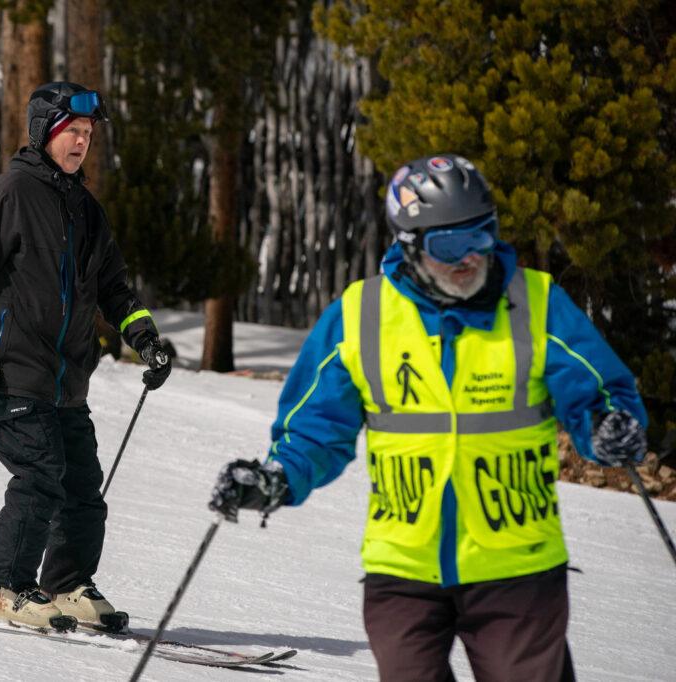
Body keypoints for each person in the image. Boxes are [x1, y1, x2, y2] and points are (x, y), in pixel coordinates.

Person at [209, 155, 648, 681]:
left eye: (482, 237)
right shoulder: (361, 315)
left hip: (517, 565)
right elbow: (315, 429)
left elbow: (598, 394)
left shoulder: (535, 303)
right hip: (404, 568)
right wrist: (277, 477)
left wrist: (611, 427)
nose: (470, 258)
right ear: (410, 245)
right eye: (449, 245)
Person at [0, 82, 171, 632]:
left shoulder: (87, 210)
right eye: (71, 131)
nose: (80, 143)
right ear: (45, 132)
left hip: (68, 379)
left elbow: (114, 288)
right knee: (40, 476)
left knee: (82, 488)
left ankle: (65, 584)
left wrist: (145, 338)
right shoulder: (12, 193)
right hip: (14, 371)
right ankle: (2, 588)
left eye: (87, 134)